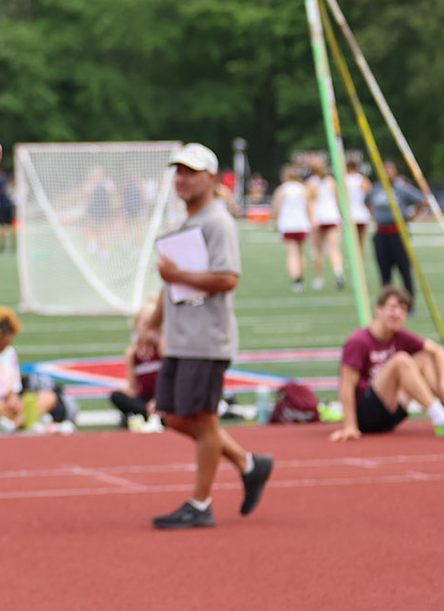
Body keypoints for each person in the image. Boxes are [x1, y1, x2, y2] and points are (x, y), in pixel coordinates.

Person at [148, 144, 270, 530]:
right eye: (178, 172)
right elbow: (173, 286)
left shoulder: (217, 221)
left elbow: (227, 278)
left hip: (206, 338)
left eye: (191, 172)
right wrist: (153, 323)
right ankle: (249, 464)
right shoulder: (187, 222)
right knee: (175, 417)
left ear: (210, 178)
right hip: (184, 337)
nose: (182, 179)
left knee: (202, 418)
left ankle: (201, 504)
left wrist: (178, 276)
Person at [332, 286, 444, 440]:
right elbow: (346, 386)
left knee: (424, 358)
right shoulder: (359, 341)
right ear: (378, 310)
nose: (397, 314)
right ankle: (442, 420)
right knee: (401, 360)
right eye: (393, 307)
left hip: (391, 412)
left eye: (403, 310)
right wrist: (350, 426)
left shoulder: (398, 335)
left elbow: (438, 351)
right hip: (366, 415)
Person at [367, 168, 426, 296]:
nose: (387, 174)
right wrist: (373, 214)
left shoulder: (402, 189)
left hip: (398, 234)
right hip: (381, 234)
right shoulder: (376, 189)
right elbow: (366, 200)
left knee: (404, 270)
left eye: (390, 171)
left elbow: (422, 200)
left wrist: (411, 216)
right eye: (384, 171)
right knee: (384, 273)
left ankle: (409, 303)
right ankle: (387, 304)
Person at [109, 296, 163, 427]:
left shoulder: (162, 346)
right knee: (117, 396)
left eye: (151, 323)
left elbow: (172, 377)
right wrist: (125, 391)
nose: (146, 328)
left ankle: (153, 414)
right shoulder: (132, 353)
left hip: (164, 398)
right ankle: (148, 414)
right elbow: (134, 388)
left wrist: (159, 400)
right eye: (144, 323)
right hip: (145, 400)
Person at [272, 167, 311, 292]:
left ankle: (296, 279)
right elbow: (309, 206)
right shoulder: (303, 189)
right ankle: (302, 277)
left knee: (292, 254)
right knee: (301, 253)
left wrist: (275, 222)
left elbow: (276, 208)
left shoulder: (282, 190)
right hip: (302, 224)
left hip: (288, 225)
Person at [308, 160, 344, 291]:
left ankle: (319, 278)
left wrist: (312, 219)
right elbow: (338, 200)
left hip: (320, 219)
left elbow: (310, 203)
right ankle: (338, 271)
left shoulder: (312, 183)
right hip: (332, 217)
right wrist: (341, 216)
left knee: (318, 250)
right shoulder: (331, 182)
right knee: (334, 249)